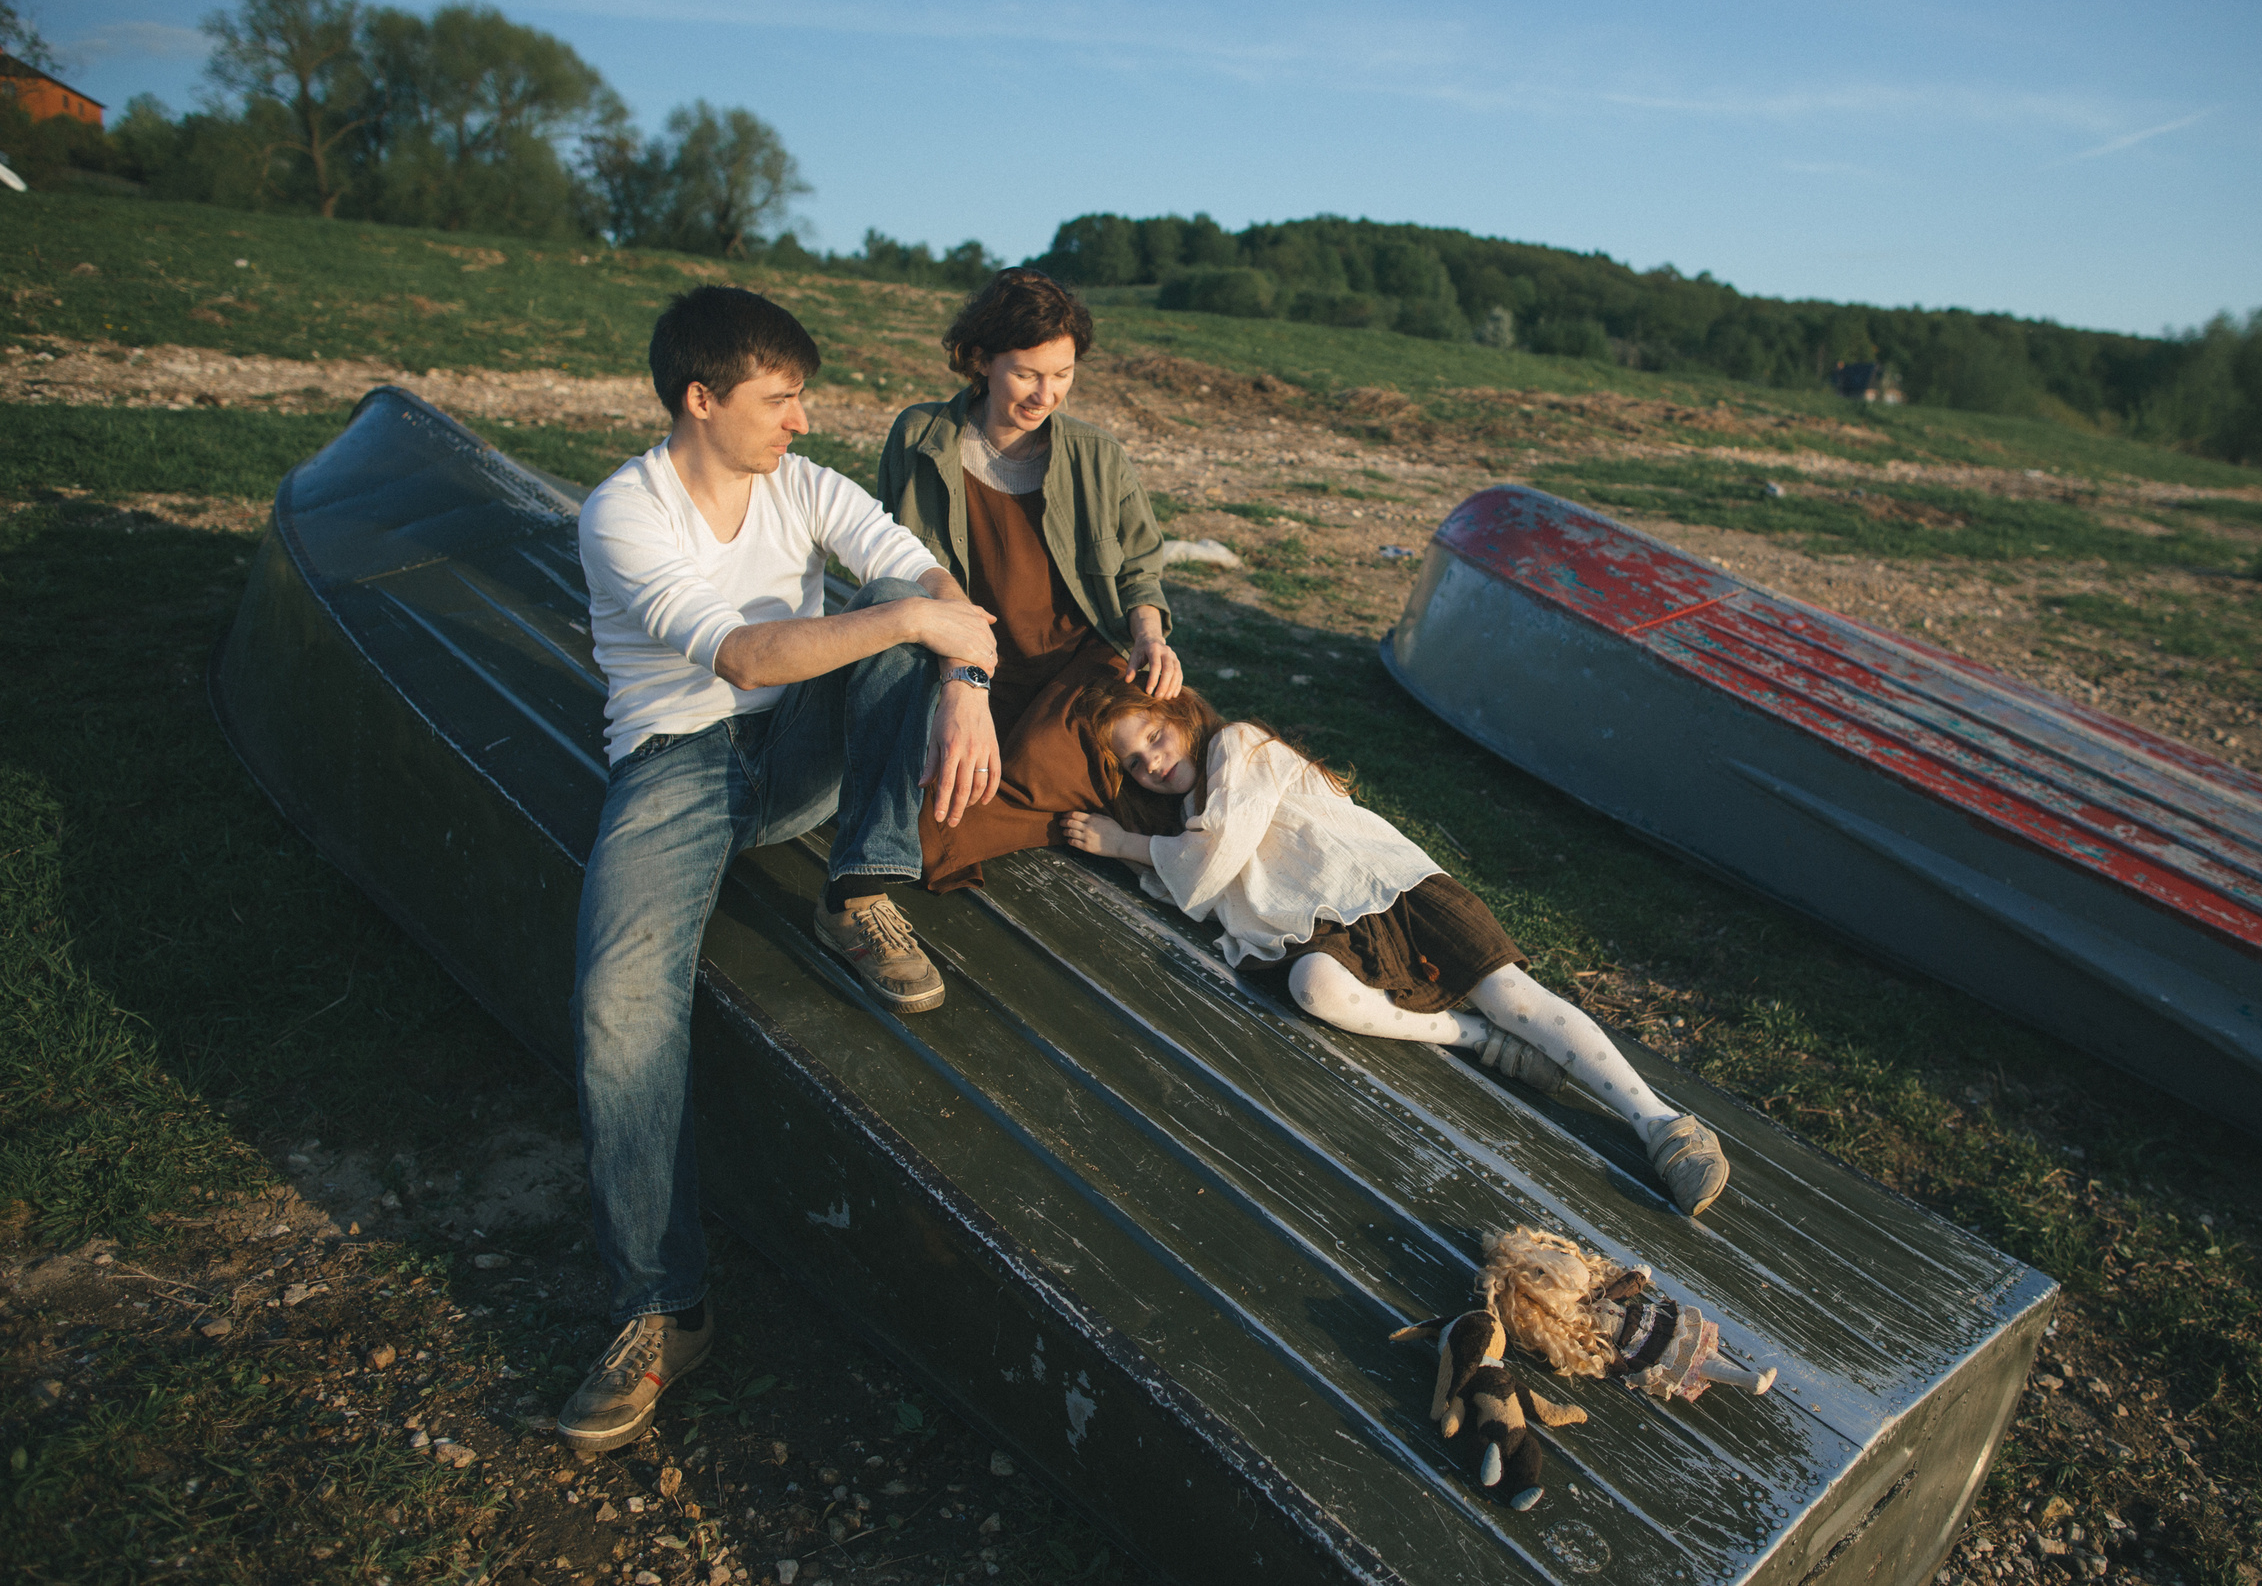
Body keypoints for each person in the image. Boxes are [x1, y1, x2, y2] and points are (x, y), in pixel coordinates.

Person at [558, 286, 1004, 1452]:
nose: (802, 421)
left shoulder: (801, 485)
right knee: (619, 1007)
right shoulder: (624, 513)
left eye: (801, 395)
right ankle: (663, 1309)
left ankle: (861, 891)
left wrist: (961, 683)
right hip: (677, 760)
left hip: (798, 749)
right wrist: (921, 629)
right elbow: (748, 651)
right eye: (780, 398)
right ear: (700, 401)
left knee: (912, 619)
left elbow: (940, 591)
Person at [1057, 679, 1732, 1218]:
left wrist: (1122, 843)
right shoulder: (1177, 826)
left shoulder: (1239, 745)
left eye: (1154, 733)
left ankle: (1664, 1125)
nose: (1152, 759)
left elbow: (1212, 860)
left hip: (1387, 885)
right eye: (1134, 762)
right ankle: (1472, 1037)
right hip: (1316, 929)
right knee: (1312, 987)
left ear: (1180, 710)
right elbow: (1189, 888)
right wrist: (1139, 853)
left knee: (1516, 997)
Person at [877, 268, 1183, 892]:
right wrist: (962, 677)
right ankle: (1084, 814)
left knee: (1160, 771)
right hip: (962, 670)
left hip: (1078, 673)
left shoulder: (1099, 456)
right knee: (934, 816)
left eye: (1063, 375)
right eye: (1027, 374)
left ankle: (1077, 811)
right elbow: (891, 559)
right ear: (981, 361)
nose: (1047, 394)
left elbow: (1139, 566)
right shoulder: (918, 438)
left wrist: (1148, 634)